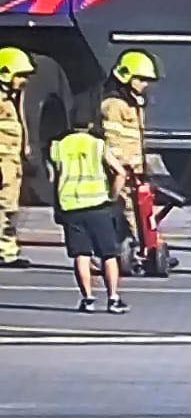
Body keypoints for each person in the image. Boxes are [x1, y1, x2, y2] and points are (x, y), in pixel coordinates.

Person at [49, 118, 129, 313]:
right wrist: (113, 196)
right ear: (91, 125)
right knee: (108, 255)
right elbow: (120, 173)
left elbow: (55, 177)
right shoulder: (97, 145)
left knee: (81, 255)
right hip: (98, 205)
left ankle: (88, 298)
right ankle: (113, 298)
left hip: (71, 206)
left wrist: (58, 205)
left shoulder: (59, 146)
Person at [102, 49, 158, 249]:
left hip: (134, 170)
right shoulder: (114, 105)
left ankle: (142, 248)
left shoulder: (133, 103)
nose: (145, 84)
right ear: (126, 77)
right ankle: (126, 249)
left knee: (138, 211)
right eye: (141, 79)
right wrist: (121, 168)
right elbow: (112, 140)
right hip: (122, 171)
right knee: (124, 211)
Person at [0, 46, 34, 269]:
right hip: (3, 165)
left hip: (11, 165)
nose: (24, 81)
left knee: (9, 208)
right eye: (20, 75)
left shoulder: (12, 99)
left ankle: (8, 250)